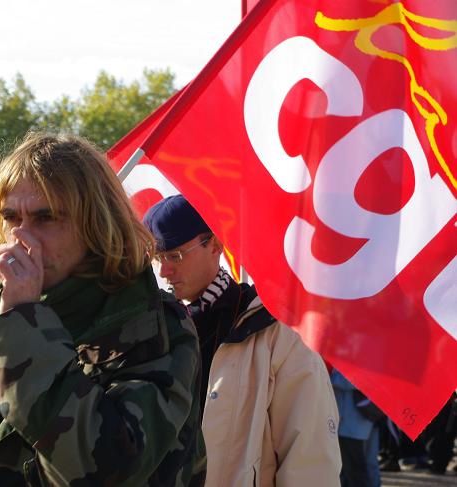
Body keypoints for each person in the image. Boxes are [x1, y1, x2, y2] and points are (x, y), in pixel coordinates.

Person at [0, 132, 207, 486]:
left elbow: (104, 468)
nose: (21, 237)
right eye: (10, 218)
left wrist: (20, 331)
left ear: (96, 224)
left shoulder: (152, 324)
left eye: (45, 218)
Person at [143, 194, 341, 487]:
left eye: (175, 256)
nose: (163, 270)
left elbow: (309, 457)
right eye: (157, 258)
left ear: (216, 244)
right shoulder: (154, 326)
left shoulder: (274, 332)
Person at [330, 369, 381, 487]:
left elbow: (360, 380)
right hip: (363, 419)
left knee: (355, 469)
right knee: (365, 466)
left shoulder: (362, 354)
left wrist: (329, 378)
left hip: (353, 424)